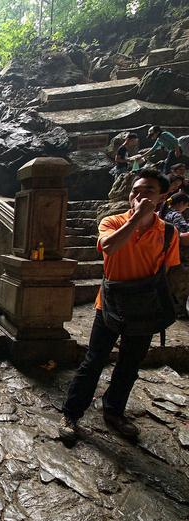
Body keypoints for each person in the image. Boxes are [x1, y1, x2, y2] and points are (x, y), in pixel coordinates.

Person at [59, 169, 180, 441]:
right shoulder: (112, 221)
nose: (139, 194)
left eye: (148, 190)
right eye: (135, 190)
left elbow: (168, 272)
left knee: (129, 365)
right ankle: (71, 413)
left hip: (145, 308)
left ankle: (114, 411)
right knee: (94, 361)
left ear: (162, 197)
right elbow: (109, 248)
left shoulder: (168, 233)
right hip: (110, 304)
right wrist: (136, 218)